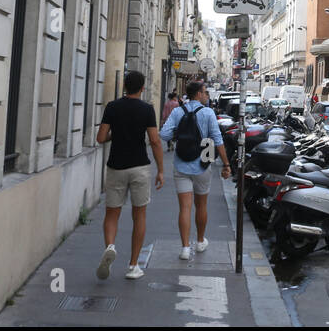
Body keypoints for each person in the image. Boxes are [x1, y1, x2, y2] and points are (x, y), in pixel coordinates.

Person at [95, 70, 164, 280]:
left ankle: (110, 246)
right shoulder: (147, 110)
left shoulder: (113, 107)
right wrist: (161, 169)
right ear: (143, 88)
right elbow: (154, 140)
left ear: (124, 86)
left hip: (116, 166)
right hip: (140, 167)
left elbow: (100, 138)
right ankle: (133, 266)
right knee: (139, 215)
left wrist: (115, 134)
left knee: (112, 213)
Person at [160, 80, 231, 260]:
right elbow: (218, 140)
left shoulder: (178, 111)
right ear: (198, 94)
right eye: (205, 92)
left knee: (184, 207)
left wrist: (180, 134)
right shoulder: (208, 113)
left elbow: (164, 134)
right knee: (201, 205)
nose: (206, 95)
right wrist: (226, 164)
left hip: (181, 163)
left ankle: (184, 248)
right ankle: (200, 241)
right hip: (202, 164)